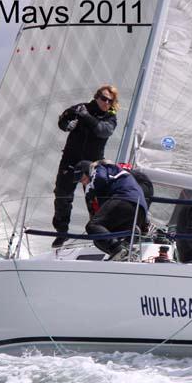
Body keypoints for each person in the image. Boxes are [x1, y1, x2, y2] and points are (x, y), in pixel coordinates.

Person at [52, 85, 119, 248]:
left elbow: (102, 131)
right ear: (96, 97)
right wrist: (67, 120)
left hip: (92, 164)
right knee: (62, 194)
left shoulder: (110, 118)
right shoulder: (82, 108)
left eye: (110, 101)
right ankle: (62, 232)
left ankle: (100, 233)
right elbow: (63, 123)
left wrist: (86, 116)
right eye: (103, 98)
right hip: (70, 160)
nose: (106, 103)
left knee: (95, 199)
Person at [74, 159, 149, 259]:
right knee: (99, 238)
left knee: (93, 225)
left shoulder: (98, 167)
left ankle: (118, 250)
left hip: (125, 199)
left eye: (82, 179)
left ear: (88, 171)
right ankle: (125, 255)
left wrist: (91, 191)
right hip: (140, 209)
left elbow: (100, 179)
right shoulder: (113, 173)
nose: (83, 183)